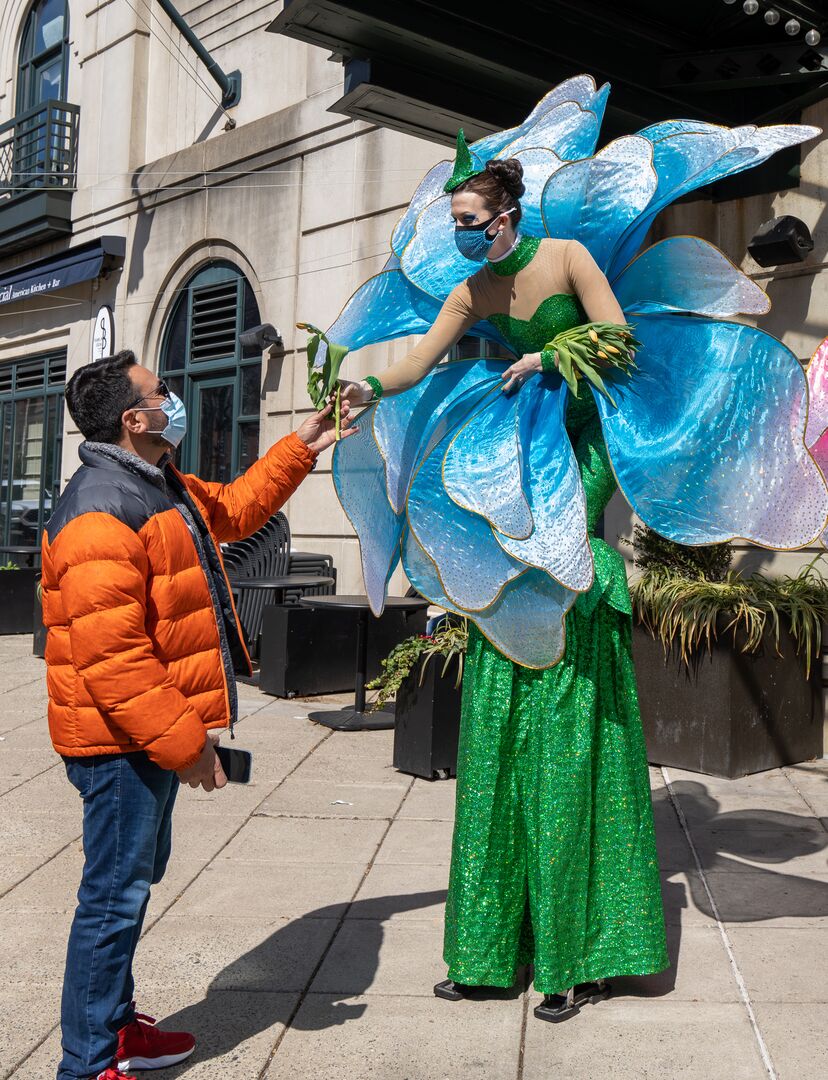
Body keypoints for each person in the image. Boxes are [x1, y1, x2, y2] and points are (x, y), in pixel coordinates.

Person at [320, 78, 826, 1021]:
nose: (465, 234)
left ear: (508, 212)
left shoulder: (565, 256)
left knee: (561, 574)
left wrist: (549, 357)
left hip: (577, 433)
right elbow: (418, 359)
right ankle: (487, 945)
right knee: (502, 644)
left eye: (473, 219)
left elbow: (621, 343)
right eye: (456, 222)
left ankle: (572, 954)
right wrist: (361, 390)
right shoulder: (475, 287)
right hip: (511, 430)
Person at [42, 350, 352, 1080]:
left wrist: (302, 442)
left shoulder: (157, 484)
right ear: (134, 418)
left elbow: (238, 509)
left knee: (131, 883)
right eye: (161, 392)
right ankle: (86, 1065)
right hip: (118, 744)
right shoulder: (101, 511)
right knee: (112, 902)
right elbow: (113, 663)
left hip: (139, 737)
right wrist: (188, 747)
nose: (174, 399)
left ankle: (115, 1026)